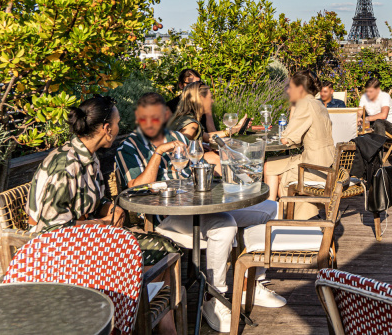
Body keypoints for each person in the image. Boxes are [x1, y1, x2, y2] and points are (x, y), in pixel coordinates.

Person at [116, 93, 285, 333]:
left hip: (199, 206)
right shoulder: (130, 147)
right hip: (166, 216)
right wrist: (158, 154)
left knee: (269, 208)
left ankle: (251, 284)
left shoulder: (177, 136)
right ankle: (214, 298)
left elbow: (196, 163)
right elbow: (136, 187)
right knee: (225, 225)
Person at [27, 96, 179, 335]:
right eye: (117, 123)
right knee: (152, 253)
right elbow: (51, 228)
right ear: (107, 129)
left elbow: (96, 202)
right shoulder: (66, 165)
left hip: (86, 236)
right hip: (57, 251)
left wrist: (113, 209)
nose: (119, 128)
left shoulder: (89, 157)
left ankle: (153, 321)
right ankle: (130, 320)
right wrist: (101, 223)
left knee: (164, 248)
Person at [263, 70, 335, 219]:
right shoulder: (319, 104)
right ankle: (284, 214)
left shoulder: (305, 104)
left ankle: (270, 215)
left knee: (270, 168)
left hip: (314, 166)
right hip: (327, 163)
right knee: (271, 166)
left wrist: (294, 107)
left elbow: (287, 139)